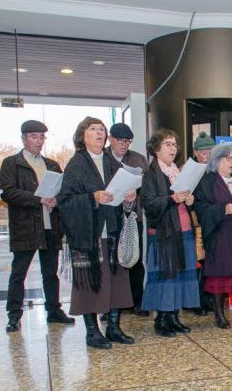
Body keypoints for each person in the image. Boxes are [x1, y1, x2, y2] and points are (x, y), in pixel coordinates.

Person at [57, 116, 136, 349]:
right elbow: (65, 201)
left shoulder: (113, 163)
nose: (100, 133)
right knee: (89, 283)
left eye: (102, 129)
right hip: (88, 235)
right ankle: (92, 332)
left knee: (116, 281)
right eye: (94, 129)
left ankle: (113, 327)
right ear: (83, 135)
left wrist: (130, 198)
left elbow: (122, 194)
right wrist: (93, 197)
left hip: (112, 231)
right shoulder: (77, 164)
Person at [0, 120, 74, 333]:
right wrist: (38, 198)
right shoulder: (11, 163)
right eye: (34, 137)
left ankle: (54, 310)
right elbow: (8, 192)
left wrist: (56, 200)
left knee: (50, 273)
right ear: (24, 139)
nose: (39, 141)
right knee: (19, 273)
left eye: (42, 137)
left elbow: (63, 190)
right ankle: (14, 315)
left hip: (50, 225)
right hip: (25, 227)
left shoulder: (51, 165)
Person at [140, 129, 200, 336]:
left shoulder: (178, 172)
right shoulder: (150, 174)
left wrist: (191, 201)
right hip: (164, 233)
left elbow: (187, 200)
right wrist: (171, 199)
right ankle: (162, 319)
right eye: (168, 144)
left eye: (175, 145)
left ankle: (174, 317)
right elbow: (148, 204)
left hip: (183, 229)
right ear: (157, 149)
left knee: (181, 274)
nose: (173, 148)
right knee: (166, 275)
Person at [194, 144, 232, 328]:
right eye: (229, 158)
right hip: (220, 235)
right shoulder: (207, 182)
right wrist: (223, 209)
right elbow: (201, 209)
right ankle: (219, 314)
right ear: (218, 159)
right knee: (219, 275)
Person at [105, 122, 149, 317]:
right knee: (111, 261)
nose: (124, 145)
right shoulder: (103, 158)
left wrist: (136, 194)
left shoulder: (138, 160)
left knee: (134, 259)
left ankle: (136, 301)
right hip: (109, 217)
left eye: (128, 141)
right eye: (120, 140)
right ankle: (109, 305)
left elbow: (147, 188)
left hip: (132, 216)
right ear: (110, 139)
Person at [190, 131, 216, 316]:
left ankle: (208, 298)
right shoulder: (190, 170)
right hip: (196, 224)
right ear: (196, 152)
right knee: (196, 263)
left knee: (210, 263)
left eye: (210, 150)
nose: (207, 154)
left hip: (213, 222)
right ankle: (195, 301)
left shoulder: (215, 171)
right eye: (203, 151)